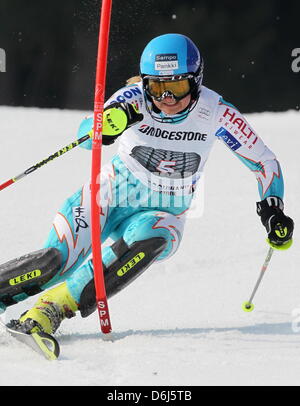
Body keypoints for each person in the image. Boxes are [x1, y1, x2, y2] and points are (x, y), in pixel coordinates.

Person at [0, 33, 294, 335]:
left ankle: (49, 310)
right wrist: (106, 127)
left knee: (153, 237)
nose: (167, 99)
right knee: (56, 263)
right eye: (157, 87)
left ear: (196, 80)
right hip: (110, 195)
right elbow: (86, 134)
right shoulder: (132, 100)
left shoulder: (215, 112)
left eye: (177, 87)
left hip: (164, 211)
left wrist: (272, 209)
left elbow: (264, 162)